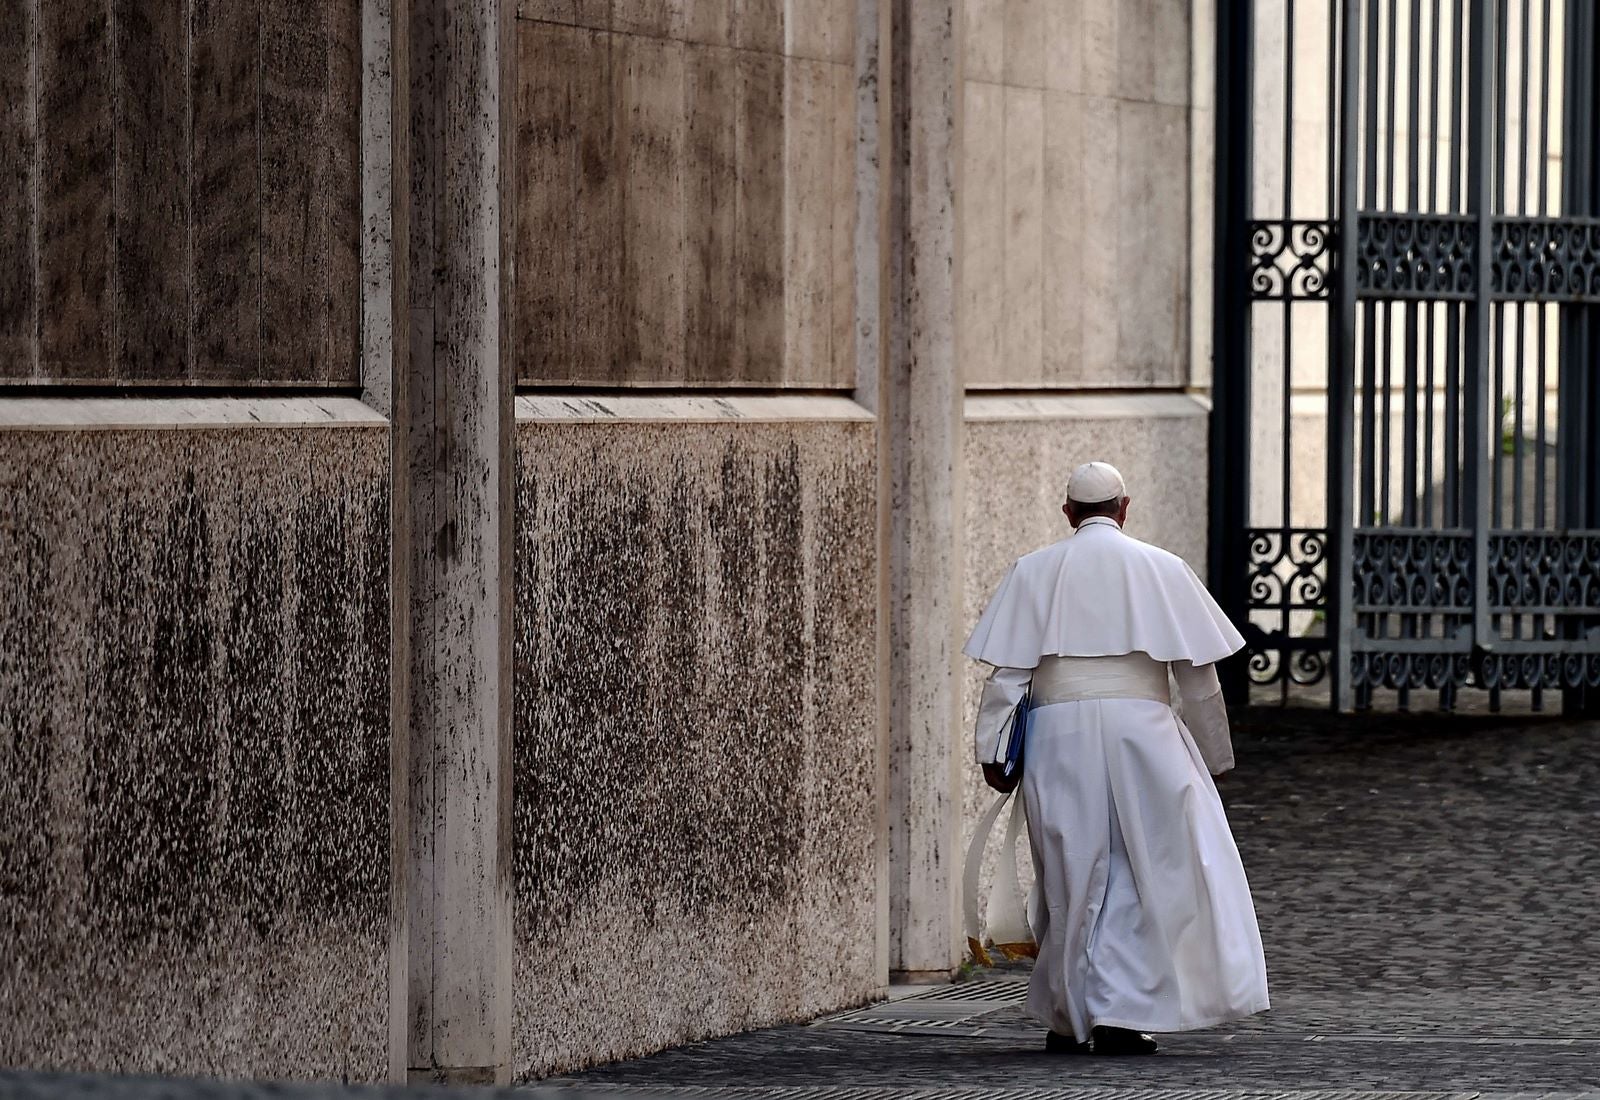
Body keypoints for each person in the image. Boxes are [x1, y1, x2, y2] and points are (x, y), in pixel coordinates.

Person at [966, 461, 1269, 1056]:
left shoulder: (1033, 571)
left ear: (1069, 512)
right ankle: (1120, 1015)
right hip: (1145, 736)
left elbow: (1009, 677)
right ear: (1124, 507)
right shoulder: (1163, 569)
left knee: (1068, 869)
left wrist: (990, 751)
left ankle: (1067, 1015)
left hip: (1060, 736)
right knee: (1139, 869)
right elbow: (1197, 678)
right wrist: (1214, 756)